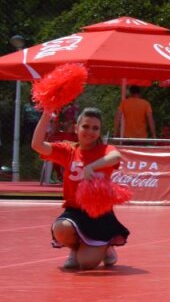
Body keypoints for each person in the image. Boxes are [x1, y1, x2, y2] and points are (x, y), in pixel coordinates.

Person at [32, 106, 126, 270]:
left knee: (86, 264)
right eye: (86, 126)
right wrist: (47, 114)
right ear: (76, 128)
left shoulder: (105, 150)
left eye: (95, 128)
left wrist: (92, 167)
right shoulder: (68, 150)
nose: (90, 131)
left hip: (99, 214)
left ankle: (106, 246)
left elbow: (116, 157)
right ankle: (75, 249)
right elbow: (37, 145)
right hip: (75, 211)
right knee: (61, 228)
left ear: (100, 131)